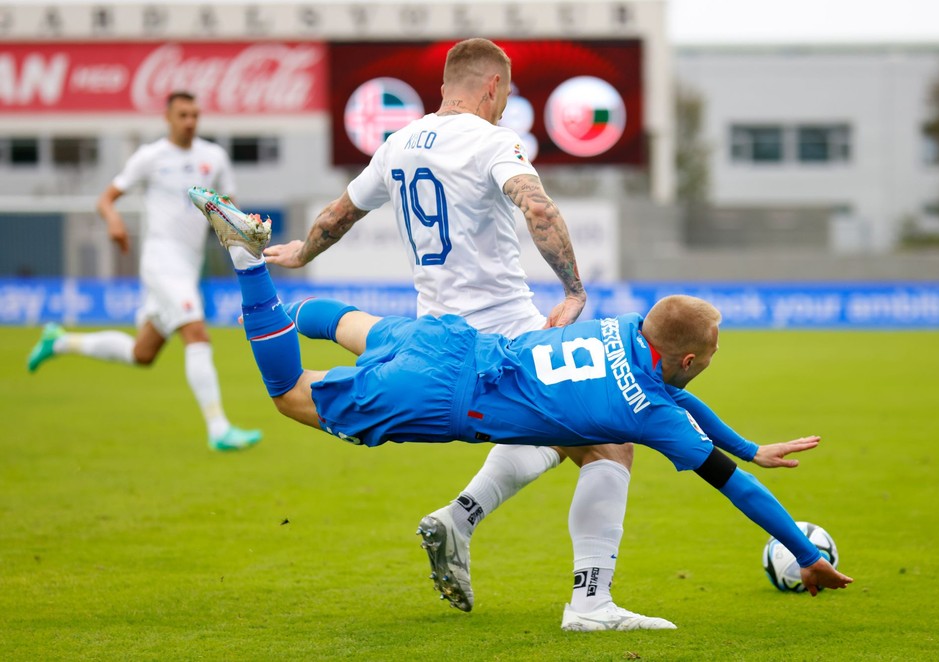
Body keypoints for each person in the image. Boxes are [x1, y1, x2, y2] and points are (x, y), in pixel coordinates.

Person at [189, 187, 854, 629]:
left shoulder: (626, 328)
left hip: (451, 341)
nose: (707, 363)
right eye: (707, 355)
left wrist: (750, 445)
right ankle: (249, 265)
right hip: (446, 398)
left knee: (345, 323)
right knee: (290, 396)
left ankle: (280, 293)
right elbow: (735, 489)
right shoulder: (650, 411)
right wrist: (801, 548)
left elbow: (685, 402)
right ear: (685, 359)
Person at [262, 37, 652, 630]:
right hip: (507, 337)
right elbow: (539, 210)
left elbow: (337, 215)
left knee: (552, 433)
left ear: (447, 85)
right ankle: (590, 603)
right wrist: (574, 290)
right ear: (492, 87)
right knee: (610, 442)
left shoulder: (396, 144)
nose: (505, 105)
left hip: (435, 339)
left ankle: (461, 518)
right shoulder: (491, 140)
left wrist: (301, 251)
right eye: (507, 94)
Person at [26, 91, 262, 452]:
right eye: (183, 115)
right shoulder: (151, 157)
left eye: (195, 115)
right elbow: (105, 198)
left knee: (143, 353)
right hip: (160, 260)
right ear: (168, 118)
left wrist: (246, 225)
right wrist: (114, 220)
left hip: (187, 264)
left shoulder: (213, 157)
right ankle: (218, 428)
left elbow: (227, 206)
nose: (190, 121)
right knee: (197, 333)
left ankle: (57, 341)